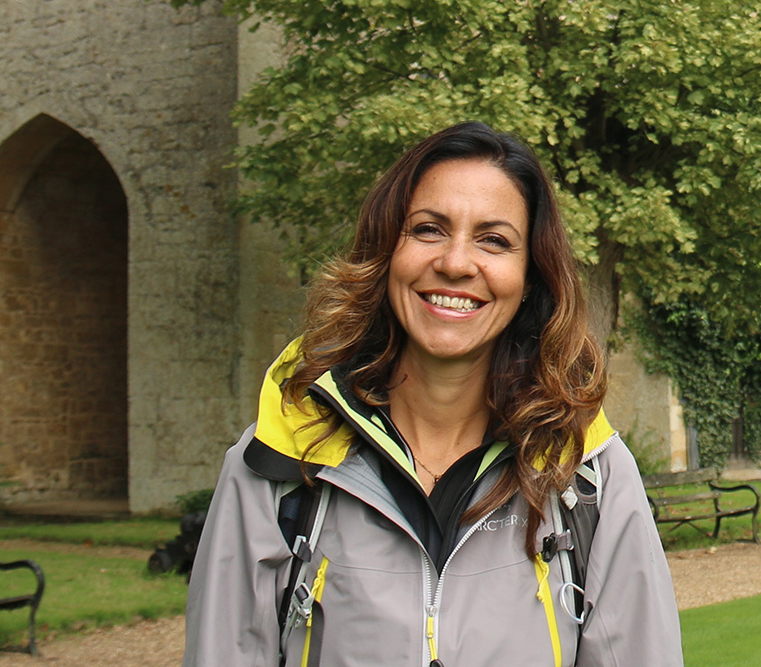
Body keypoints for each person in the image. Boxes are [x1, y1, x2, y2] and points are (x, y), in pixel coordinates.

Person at [184, 122, 682, 666]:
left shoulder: (589, 474)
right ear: (385, 252)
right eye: (428, 229)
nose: (455, 263)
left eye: (494, 240)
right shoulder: (279, 461)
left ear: (530, 277)